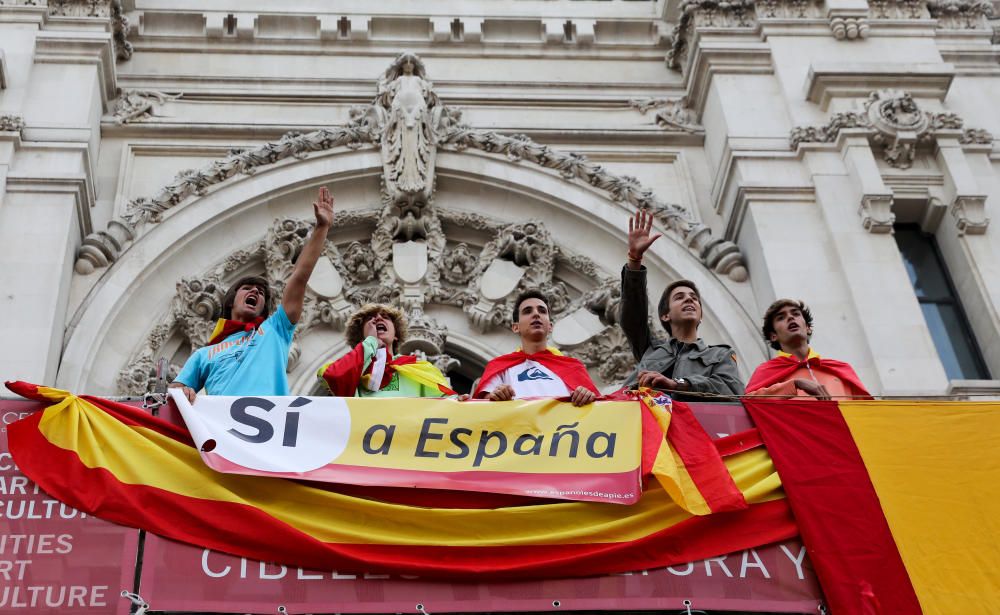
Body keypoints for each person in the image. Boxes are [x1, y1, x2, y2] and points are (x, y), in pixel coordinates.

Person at [169, 186, 335, 402]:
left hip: (272, 428)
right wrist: (183, 390)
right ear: (231, 302)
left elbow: (299, 277)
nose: (255, 291)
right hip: (225, 431)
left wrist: (322, 228)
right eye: (247, 288)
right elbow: (175, 390)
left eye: (261, 293)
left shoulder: (275, 330)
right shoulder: (204, 354)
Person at [619, 210, 744, 398]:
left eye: (693, 297)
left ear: (700, 315)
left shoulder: (720, 355)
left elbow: (732, 390)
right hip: (646, 423)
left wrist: (679, 384)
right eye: (679, 297)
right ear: (665, 315)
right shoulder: (649, 349)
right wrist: (634, 260)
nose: (689, 299)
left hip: (692, 424)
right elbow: (632, 315)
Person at [473, 290, 599, 407]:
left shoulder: (573, 367)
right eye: (528, 311)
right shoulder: (499, 366)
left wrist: (586, 396)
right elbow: (483, 406)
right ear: (515, 327)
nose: (536, 314)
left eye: (542, 311)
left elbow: (597, 408)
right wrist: (496, 396)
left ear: (550, 326)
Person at [317, 304, 453, 398]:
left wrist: (462, 404)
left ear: (395, 335)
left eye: (386, 317)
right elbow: (334, 376)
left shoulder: (420, 369)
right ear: (361, 336)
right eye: (369, 319)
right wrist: (371, 342)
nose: (378, 318)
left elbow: (446, 406)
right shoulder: (343, 368)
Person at [746, 299, 870, 399]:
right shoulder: (766, 371)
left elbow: (868, 412)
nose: (790, 318)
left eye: (795, 313)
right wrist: (794, 384)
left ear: (808, 328)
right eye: (781, 317)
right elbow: (748, 403)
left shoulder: (840, 369)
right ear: (773, 336)